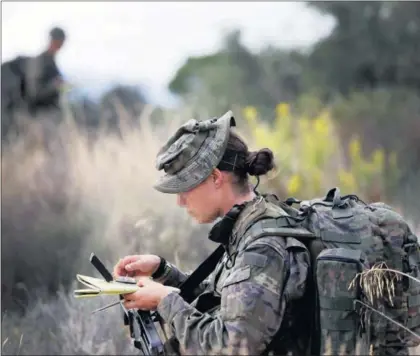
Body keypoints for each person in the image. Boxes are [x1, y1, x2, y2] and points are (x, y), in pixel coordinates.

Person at [113, 111, 312, 355]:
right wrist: (163, 272)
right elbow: (225, 300)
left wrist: (165, 301)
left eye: (185, 188)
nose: (180, 202)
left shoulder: (261, 247)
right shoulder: (248, 223)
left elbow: (231, 346)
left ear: (216, 177)